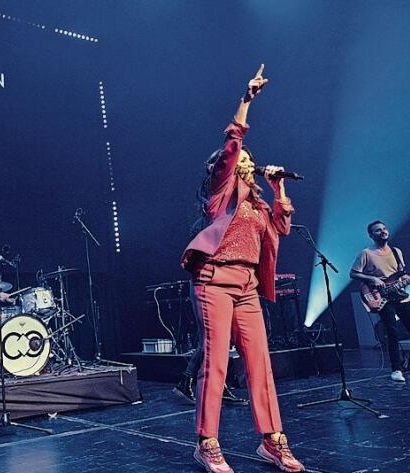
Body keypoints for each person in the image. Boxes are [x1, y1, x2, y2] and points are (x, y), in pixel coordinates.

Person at [180, 65, 304, 473]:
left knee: (260, 364)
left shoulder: (257, 204)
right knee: (217, 361)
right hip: (214, 280)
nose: (250, 162)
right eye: (244, 160)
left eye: (251, 160)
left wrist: (278, 187)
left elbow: (281, 228)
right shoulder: (221, 194)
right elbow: (233, 141)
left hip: (247, 286)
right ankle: (207, 443)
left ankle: (272, 440)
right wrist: (247, 100)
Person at [349, 220, 410, 382]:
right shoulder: (366, 253)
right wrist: (372, 279)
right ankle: (396, 369)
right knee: (393, 333)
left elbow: (401, 275)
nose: (382, 231)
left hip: (400, 296)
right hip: (380, 296)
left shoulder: (396, 251)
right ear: (371, 235)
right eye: (378, 230)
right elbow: (353, 273)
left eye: (384, 229)